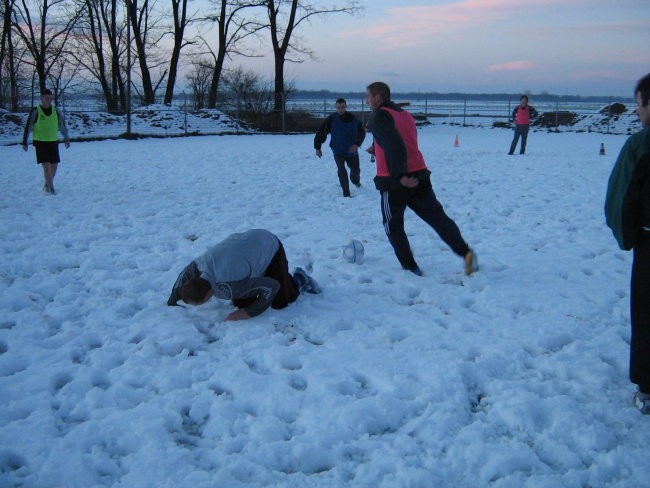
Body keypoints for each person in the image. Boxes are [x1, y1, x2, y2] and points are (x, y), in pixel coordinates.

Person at [364, 81, 478, 277]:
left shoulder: (378, 116)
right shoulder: (405, 115)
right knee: (438, 219)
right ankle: (466, 254)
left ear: (378, 97)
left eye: (368, 97)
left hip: (396, 182)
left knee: (393, 225)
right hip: (420, 174)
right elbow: (405, 141)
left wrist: (399, 178)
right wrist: (376, 147)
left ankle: (410, 268)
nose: (366, 101)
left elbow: (395, 146)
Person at [604, 73, 650, 415]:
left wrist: (628, 237)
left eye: (639, 104)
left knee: (647, 314)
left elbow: (619, 200)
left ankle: (648, 387)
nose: (636, 112)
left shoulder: (640, 145)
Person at [167, 229, 321, 321]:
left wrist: (247, 313)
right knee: (242, 301)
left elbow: (271, 287)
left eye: (201, 303)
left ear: (208, 295)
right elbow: (181, 278)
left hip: (268, 244)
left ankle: (300, 279)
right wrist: (171, 303)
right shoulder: (196, 268)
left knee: (280, 301)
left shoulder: (231, 284)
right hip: (246, 247)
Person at [22, 88, 70, 195]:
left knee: (54, 166)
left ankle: (47, 184)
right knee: (46, 165)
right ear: (41, 99)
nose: (49, 100)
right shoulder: (35, 111)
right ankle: (52, 189)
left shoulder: (56, 111)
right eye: (47, 98)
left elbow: (62, 126)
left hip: (53, 142)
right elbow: (28, 126)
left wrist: (66, 138)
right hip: (40, 142)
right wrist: (25, 141)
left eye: (50, 98)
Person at [314, 98, 366, 197]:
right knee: (341, 170)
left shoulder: (354, 119)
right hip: (337, 150)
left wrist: (356, 144)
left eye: (342, 107)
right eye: (338, 107)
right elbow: (322, 132)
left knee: (355, 170)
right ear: (336, 107)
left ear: (346, 107)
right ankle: (346, 193)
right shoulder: (332, 119)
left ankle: (356, 181)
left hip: (352, 151)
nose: (340, 109)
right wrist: (318, 147)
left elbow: (362, 132)